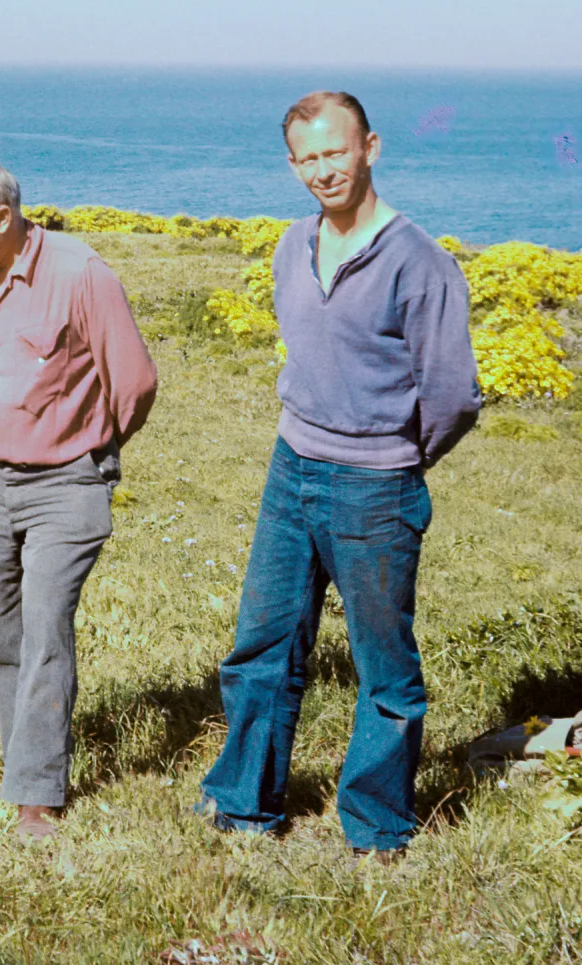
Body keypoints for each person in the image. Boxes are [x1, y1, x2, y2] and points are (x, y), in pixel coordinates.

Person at [195, 92, 482, 863]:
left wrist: (393, 455)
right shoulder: (292, 245)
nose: (325, 169)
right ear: (293, 165)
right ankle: (243, 804)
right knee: (263, 643)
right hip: (291, 468)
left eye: (337, 151)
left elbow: (453, 396)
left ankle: (379, 826)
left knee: (384, 664)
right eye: (308, 157)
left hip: (377, 486)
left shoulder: (419, 261)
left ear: (371, 148)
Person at [0, 153, 158, 840]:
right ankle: (23, 754)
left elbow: (136, 383)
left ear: (4, 218)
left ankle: (36, 793)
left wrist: (89, 447)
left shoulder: (80, 274)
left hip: (65, 482)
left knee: (45, 625)